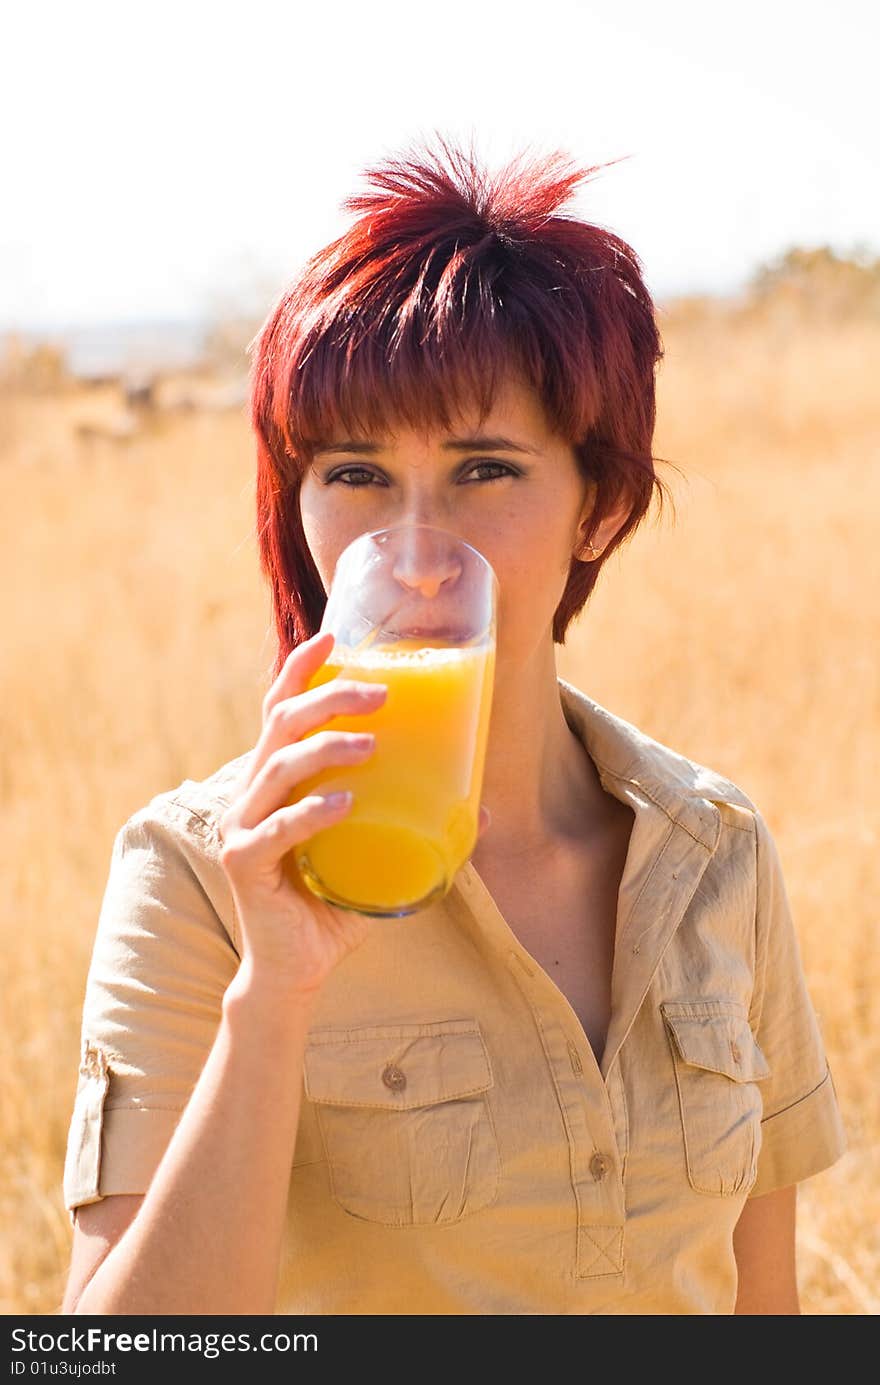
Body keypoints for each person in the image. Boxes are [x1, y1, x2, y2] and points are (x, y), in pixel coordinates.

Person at [60, 136, 847, 1316]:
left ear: (603, 507)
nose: (416, 553)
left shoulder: (712, 847)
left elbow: (764, 1306)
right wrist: (274, 992)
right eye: (357, 474)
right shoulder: (197, 869)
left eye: (484, 468)